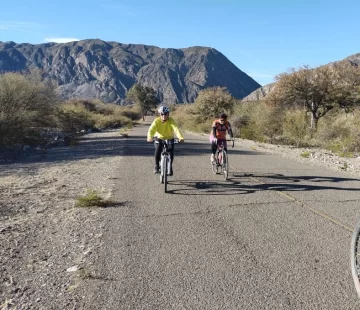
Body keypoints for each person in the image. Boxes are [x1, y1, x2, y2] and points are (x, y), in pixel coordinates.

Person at [147, 106, 184, 175]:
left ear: (168, 114)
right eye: (162, 114)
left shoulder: (171, 121)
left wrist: (180, 137)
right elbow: (151, 130)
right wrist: (150, 137)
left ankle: (169, 166)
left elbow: (176, 129)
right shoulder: (156, 121)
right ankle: (156, 166)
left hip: (169, 138)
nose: (164, 116)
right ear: (160, 114)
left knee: (171, 152)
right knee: (158, 149)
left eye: (165, 114)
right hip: (159, 138)